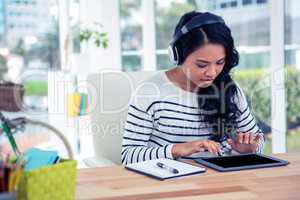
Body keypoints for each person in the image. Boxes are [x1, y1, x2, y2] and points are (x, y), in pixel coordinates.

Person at [121, 11, 264, 165]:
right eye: (202, 65)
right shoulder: (149, 92)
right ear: (178, 55)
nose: (212, 73)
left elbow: (258, 141)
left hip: (222, 181)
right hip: (169, 182)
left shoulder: (229, 89)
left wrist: (249, 148)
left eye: (220, 62)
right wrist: (177, 149)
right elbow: (128, 156)